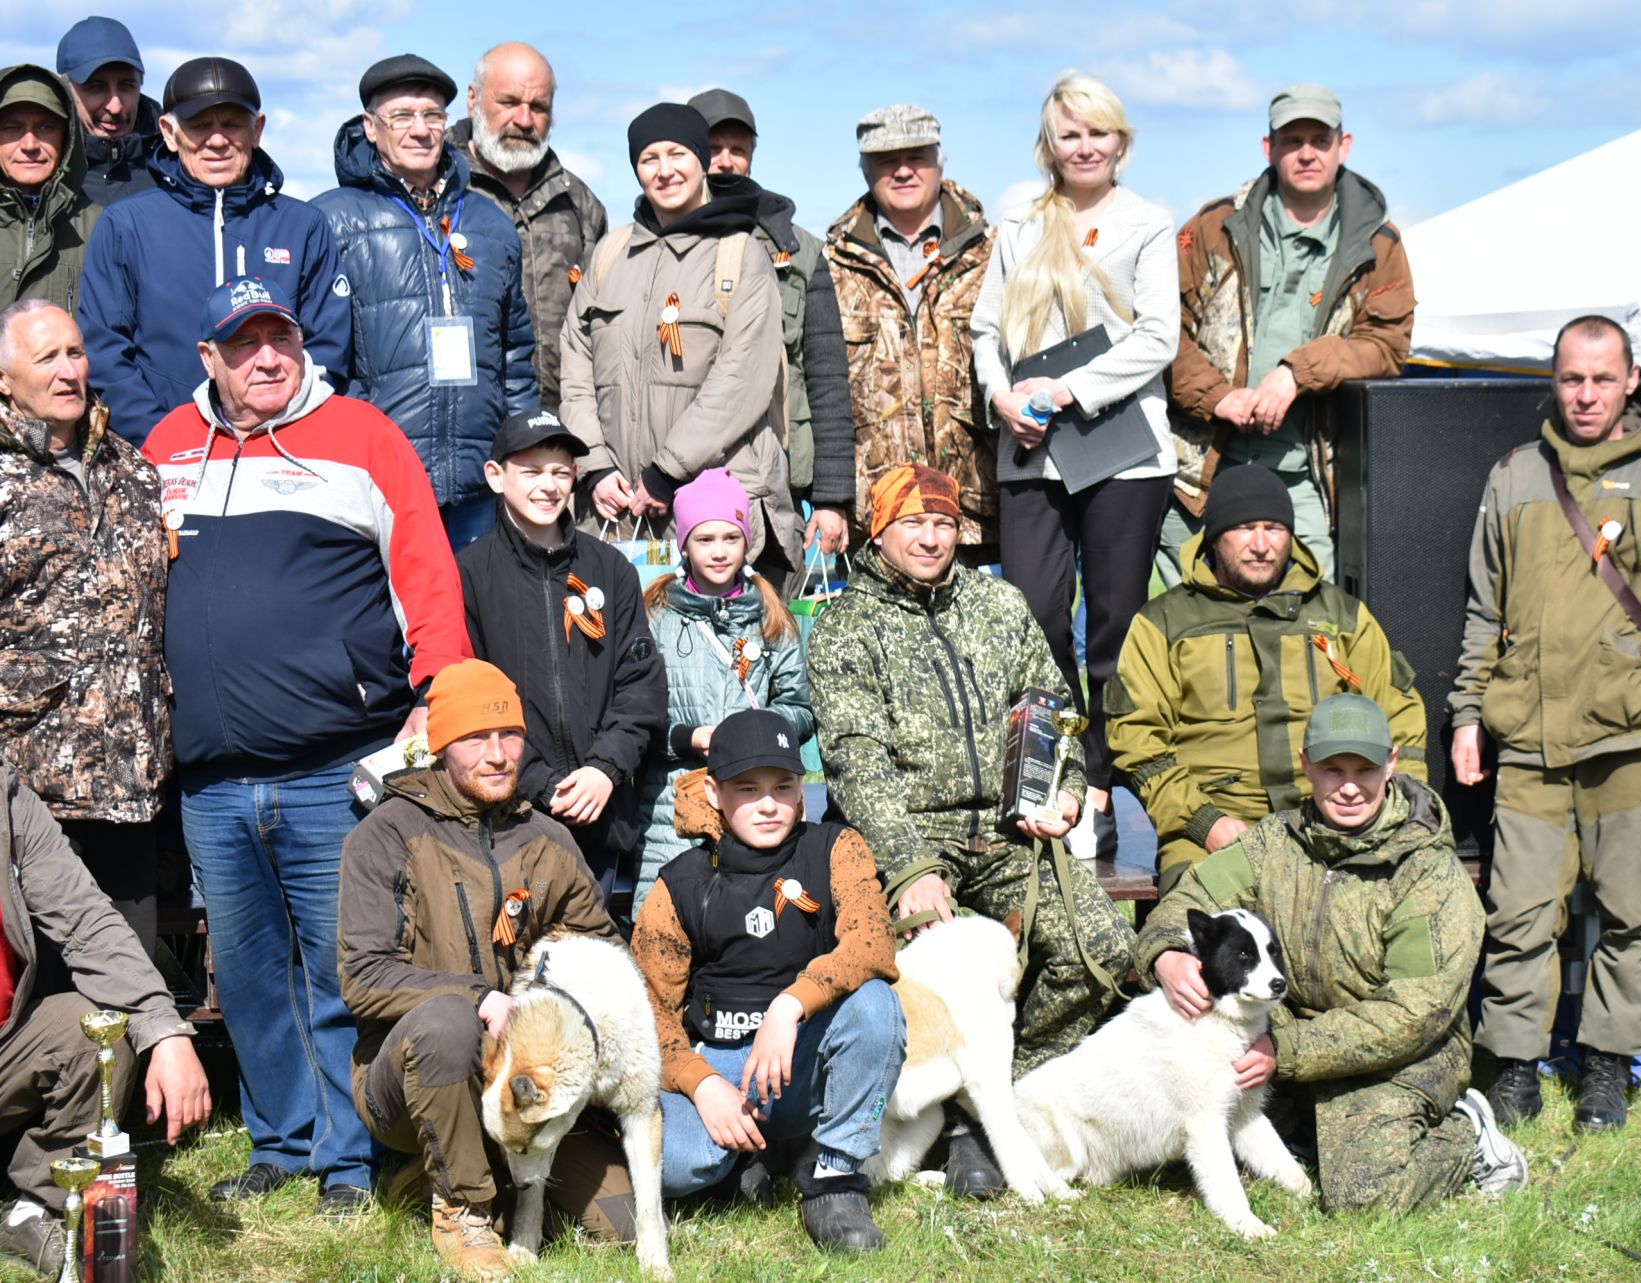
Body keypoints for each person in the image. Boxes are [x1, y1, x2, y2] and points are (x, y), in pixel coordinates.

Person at [142, 277, 471, 1211]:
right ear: (209, 358)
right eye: (243, 345)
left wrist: (435, 694)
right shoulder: (165, 447)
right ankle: (279, 1143)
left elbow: (425, 571)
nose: (267, 358)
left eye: (279, 338)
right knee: (245, 973)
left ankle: (348, 1156)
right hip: (210, 774)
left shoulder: (363, 435)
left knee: (340, 968)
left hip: (335, 763)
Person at [1450, 315, 1641, 1133]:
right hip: (1531, 745)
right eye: (1572, 379)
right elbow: (1486, 608)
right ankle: (1515, 1068)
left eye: (1601, 379)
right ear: (1555, 380)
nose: (1585, 395)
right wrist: (1469, 711)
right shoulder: (1514, 477)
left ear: (1632, 380)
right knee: (1518, 918)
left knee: (1627, 912)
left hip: (1636, 742)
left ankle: (1607, 1071)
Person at [807, 462, 1134, 1191]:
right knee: (906, 983)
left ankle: (991, 1113)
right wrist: (909, 868)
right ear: (879, 530)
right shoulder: (845, 628)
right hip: (910, 844)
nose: (931, 537)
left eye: (945, 523)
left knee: (1104, 951)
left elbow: (1050, 705)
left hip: (1013, 834)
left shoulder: (998, 603)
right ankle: (913, 1126)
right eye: (913, 522)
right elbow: (856, 763)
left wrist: (1067, 791)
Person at [1136, 694, 1526, 1215]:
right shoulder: (1273, 843)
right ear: (1305, 766)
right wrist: (1166, 956)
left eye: (1364, 769)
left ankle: (1469, 1134)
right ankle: (1310, 1130)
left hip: (1404, 1053)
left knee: (1363, 1195)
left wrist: (1287, 1051)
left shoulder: (1428, 872)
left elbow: (1413, 1015)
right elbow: (1189, 900)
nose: (1348, 786)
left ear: (1391, 764)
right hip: (1287, 1036)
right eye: (1331, 769)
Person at [338, 660, 633, 1281]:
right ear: (442, 746)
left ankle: (477, 1171)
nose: (498, 755)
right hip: (415, 1072)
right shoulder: (386, 834)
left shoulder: (547, 838)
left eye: (510, 736)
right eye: (476, 738)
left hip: (523, 1077)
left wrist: (551, 1016)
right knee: (447, 1020)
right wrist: (480, 998)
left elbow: (603, 956)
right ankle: (464, 1206)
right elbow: (363, 975)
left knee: (621, 1221)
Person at [969, 73, 1177, 861]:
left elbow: (1160, 337)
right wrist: (1001, 396)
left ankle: (1104, 785)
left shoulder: (1147, 223)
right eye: (1070, 134)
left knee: (1116, 628)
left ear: (1121, 141)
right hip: (1031, 448)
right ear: (1048, 143)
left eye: (1099, 133)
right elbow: (987, 327)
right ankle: (1047, 778)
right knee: (1034, 618)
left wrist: (1068, 387)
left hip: (1123, 445)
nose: (1085, 147)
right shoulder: (1021, 215)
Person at [632, 708, 904, 1252]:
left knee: (877, 1007)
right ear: (713, 792)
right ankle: (752, 1156)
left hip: (805, 1058)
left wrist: (789, 1007)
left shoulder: (835, 848)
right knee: (675, 1167)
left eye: (783, 786)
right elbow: (645, 1010)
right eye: (747, 787)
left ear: (801, 790)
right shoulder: (680, 882)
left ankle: (835, 1173)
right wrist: (701, 1082)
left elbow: (872, 944)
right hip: (725, 1065)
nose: (767, 803)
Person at [1107, 464, 1426, 893]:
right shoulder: (1164, 623)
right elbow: (1137, 740)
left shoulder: (1342, 617)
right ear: (1214, 537)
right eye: (1243, 529)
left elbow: (1399, 714)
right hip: (1210, 832)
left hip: (1332, 819)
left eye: (1274, 528)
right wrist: (1205, 822)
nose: (1261, 545)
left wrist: (1397, 809)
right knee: (1193, 937)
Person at [1162, 84, 1415, 585]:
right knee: (1191, 619)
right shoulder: (1214, 226)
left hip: (1306, 475)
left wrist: (1296, 374)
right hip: (1203, 471)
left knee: (1309, 616)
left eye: (1319, 141)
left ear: (1344, 147)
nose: (1305, 153)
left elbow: (1386, 346)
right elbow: (1161, 328)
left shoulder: (1379, 244)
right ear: (1268, 148)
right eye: (1292, 140)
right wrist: (1218, 399)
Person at [559, 102, 802, 581]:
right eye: (649, 159)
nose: (665, 171)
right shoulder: (609, 255)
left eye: (678, 155)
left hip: (715, 517)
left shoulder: (740, 255)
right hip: (619, 516)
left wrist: (665, 472)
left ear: (700, 160)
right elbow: (576, 362)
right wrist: (594, 462)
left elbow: (741, 379)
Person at [314, 54, 536, 548]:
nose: (420, 130)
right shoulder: (330, 222)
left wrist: (524, 451)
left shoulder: (490, 223)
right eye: (402, 117)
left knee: (473, 621)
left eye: (432, 116)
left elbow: (516, 356)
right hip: (378, 480)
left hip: (480, 484)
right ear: (371, 128)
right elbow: (318, 361)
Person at [0, 300, 168, 951]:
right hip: (27, 799)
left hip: (129, 792)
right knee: (35, 1011)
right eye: (47, 358)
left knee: (127, 1009)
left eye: (74, 352)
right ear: (6, 379)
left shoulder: (132, 470)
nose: (69, 371)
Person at [0, 767, 210, 1279]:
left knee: (92, 1030)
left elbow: (86, 920)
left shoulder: (8, 801)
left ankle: (38, 1204)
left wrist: (164, 1031)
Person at [78, 56, 350, 447]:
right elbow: (104, 351)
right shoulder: (126, 226)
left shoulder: (303, 226)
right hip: (161, 457)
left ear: (257, 130)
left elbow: (328, 349)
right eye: (200, 125)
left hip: (284, 452)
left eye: (232, 124)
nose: (218, 140)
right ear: (169, 132)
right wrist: (169, 439)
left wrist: (284, 431)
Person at [458, 408, 667, 900]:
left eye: (560, 472)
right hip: (510, 814)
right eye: (531, 471)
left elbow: (641, 682)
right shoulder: (470, 574)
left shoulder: (610, 568)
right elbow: (467, 694)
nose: (548, 486)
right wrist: (538, 781)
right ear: (496, 476)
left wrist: (605, 768)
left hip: (601, 810)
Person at [823, 105, 997, 559]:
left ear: (940, 160)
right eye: (885, 160)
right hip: (876, 519)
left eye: (916, 156)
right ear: (864, 169)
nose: (902, 171)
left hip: (978, 514)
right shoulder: (831, 263)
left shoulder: (995, 251)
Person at [690, 87, 856, 559]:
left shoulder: (800, 250)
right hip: (688, 478)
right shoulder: (657, 245)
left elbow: (827, 376)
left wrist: (832, 497)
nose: (725, 162)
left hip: (784, 484)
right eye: (712, 149)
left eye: (737, 150)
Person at [637, 467, 812, 895]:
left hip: (756, 795)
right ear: (684, 545)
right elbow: (633, 714)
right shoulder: (654, 616)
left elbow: (801, 709)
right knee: (670, 918)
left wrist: (758, 737)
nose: (719, 552)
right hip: (671, 803)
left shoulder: (772, 617)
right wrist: (687, 738)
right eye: (704, 539)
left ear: (746, 542)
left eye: (731, 539)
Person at [451, 42, 606, 412]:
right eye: (508, 102)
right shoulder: (436, 189)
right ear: (473, 99)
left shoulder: (580, 204)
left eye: (538, 108)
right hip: (465, 426)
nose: (524, 120)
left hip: (559, 431)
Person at [0, 64, 97, 311]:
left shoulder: (102, 227)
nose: (30, 144)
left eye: (46, 127)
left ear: (68, 136)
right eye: (12, 127)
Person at [54, 16, 160, 206]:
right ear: (65, 90)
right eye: (96, 87)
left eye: (126, 86)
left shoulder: (174, 169)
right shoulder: (42, 174)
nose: (115, 107)